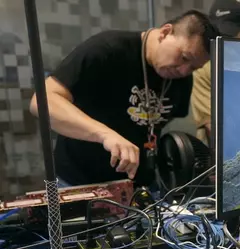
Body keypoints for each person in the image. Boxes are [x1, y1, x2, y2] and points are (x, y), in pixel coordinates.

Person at [30, 10, 218, 186]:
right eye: (184, 57)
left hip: (138, 187)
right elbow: (42, 101)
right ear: (165, 32)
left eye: (194, 67)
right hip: (79, 183)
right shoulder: (107, 49)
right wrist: (104, 134)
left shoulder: (182, 79)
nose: (184, 70)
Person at [191, 0, 240, 145]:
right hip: (215, 155)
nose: (220, 42)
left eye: (227, 36)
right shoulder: (204, 69)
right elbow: (213, 128)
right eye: (214, 37)